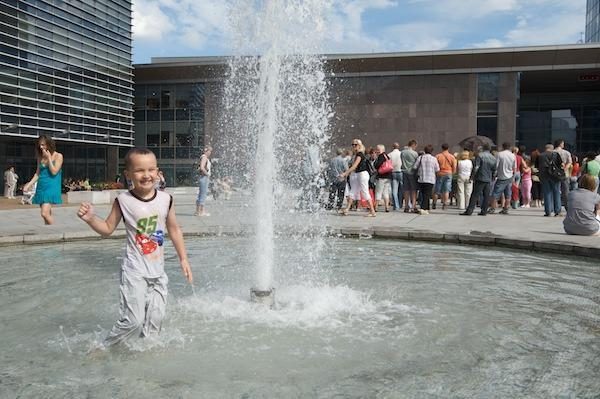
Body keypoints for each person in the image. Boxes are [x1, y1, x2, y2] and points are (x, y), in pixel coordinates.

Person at [77, 147, 193, 348]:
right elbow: (107, 229)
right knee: (133, 320)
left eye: (151, 169)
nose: (146, 175)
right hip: (134, 271)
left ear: (158, 172)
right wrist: (90, 219)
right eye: (140, 170)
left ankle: (145, 362)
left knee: (155, 322)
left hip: (158, 272)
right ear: (128, 174)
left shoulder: (166, 199)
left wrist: (183, 258)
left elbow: (174, 229)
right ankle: (104, 347)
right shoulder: (123, 201)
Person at [22, 135, 63, 225]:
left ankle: (55, 231)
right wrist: (29, 185)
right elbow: (37, 173)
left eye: (43, 145)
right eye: (40, 145)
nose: (41, 147)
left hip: (52, 186)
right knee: (46, 213)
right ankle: (48, 231)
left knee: (44, 213)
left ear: (49, 144)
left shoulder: (58, 156)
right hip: (42, 185)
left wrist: (48, 158)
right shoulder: (40, 157)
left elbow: (54, 172)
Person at [339, 139, 376, 217]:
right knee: (353, 191)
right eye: (352, 144)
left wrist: (345, 173)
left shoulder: (360, 154)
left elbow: (355, 166)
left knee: (365, 191)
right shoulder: (357, 154)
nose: (353, 146)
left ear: (359, 145)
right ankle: (347, 209)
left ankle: (372, 211)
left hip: (362, 174)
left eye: (355, 145)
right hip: (358, 174)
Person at [460, 143, 497, 216]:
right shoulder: (493, 158)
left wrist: (472, 176)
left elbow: (476, 167)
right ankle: (484, 211)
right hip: (488, 179)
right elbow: (494, 170)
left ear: (483, 148)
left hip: (480, 177)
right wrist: (492, 177)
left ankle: (469, 210)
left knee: (475, 195)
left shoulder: (480, 155)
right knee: (486, 195)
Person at [488, 142, 516, 215]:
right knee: (508, 194)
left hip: (501, 176)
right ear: (509, 147)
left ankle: (492, 208)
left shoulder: (499, 154)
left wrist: (494, 174)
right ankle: (506, 208)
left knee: (495, 193)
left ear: (503, 147)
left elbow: (496, 165)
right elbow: (514, 167)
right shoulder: (513, 155)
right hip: (509, 176)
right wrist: (513, 176)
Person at [413, 144, 439, 215]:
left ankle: (426, 208)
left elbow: (415, 167)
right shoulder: (434, 159)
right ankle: (424, 208)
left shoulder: (420, 158)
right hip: (430, 178)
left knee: (423, 193)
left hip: (422, 178)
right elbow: (437, 169)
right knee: (427, 194)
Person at [538, 143, 563, 217]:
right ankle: (557, 211)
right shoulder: (556, 155)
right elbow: (560, 165)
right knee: (556, 192)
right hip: (555, 176)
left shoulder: (541, 155)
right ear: (552, 148)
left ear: (545, 148)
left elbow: (537, 166)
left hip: (544, 176)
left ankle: (548, 211)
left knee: (547, 193)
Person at [432, 143, 456, 210]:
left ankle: (434, 203)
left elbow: (435, 166)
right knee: (446, 190)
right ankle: (445, 204)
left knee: (437, 190)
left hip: (440, 173)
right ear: (448, 148)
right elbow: (454, 167)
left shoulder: (438, 156)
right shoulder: (452, 157)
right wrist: (452, 173)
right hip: (448, 173)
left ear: (442, 148)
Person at [401, 139, 419, 213]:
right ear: (413, 145)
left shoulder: (402, 152)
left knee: (406, 190)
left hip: (404, 172)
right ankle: (413, 205)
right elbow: (416, 163)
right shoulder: (415, 153)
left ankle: (406, 206)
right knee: (413, 190)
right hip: (412, 172)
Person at [373, 144, 392, 212]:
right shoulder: (387, 156)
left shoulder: (381, 156)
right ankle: (387, 207)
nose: (377, 151)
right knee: (385, 192)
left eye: (378, 149)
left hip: (381, 177)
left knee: (378, 192)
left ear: (382, 150)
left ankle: (376, 207)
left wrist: (375, 159)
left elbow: (377, 165)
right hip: (388, 176)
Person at [195, 146, 212, 217]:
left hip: (202, 177)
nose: (210, 153)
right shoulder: (204, 157)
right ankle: (201, 212)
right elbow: (202, 167)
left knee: (201, 194)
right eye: (210, 151)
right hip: (204, 177)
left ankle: (197, 211)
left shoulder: (203, 157)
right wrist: (207, 174)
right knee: (203, 194)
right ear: (206, 151)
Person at [388, 142, 403, 211]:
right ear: (398, 147)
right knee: (402, 189)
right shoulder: (401, 153)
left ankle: (396, 206)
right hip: (400, 171)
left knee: (394, 190)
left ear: (393, 147)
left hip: (393, 172)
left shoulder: (390, 154)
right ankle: (401, 204)